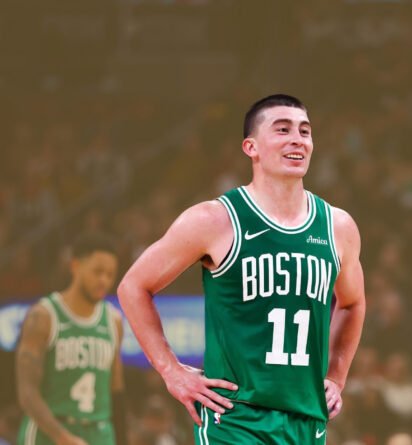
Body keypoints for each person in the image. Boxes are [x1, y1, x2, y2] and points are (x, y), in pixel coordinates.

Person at [117, 94, 366, 444]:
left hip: (307, 420)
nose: (298, 138)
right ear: (251, 147)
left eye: (305, 131)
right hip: (236, 418)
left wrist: (337, 377)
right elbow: (133, 287)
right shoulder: (214, 219)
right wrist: (171, 371)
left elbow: (353, 303)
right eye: (282, 130)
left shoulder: (337, 226)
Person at [16, 233, 126, 445]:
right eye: (97, 271)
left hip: (99, 432)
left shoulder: (114, 320)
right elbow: (27, 393)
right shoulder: (43, 316)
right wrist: (61, 437)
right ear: (75, 266)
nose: (104, 280)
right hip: (49, 432)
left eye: (110, 274)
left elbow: (116, 390)